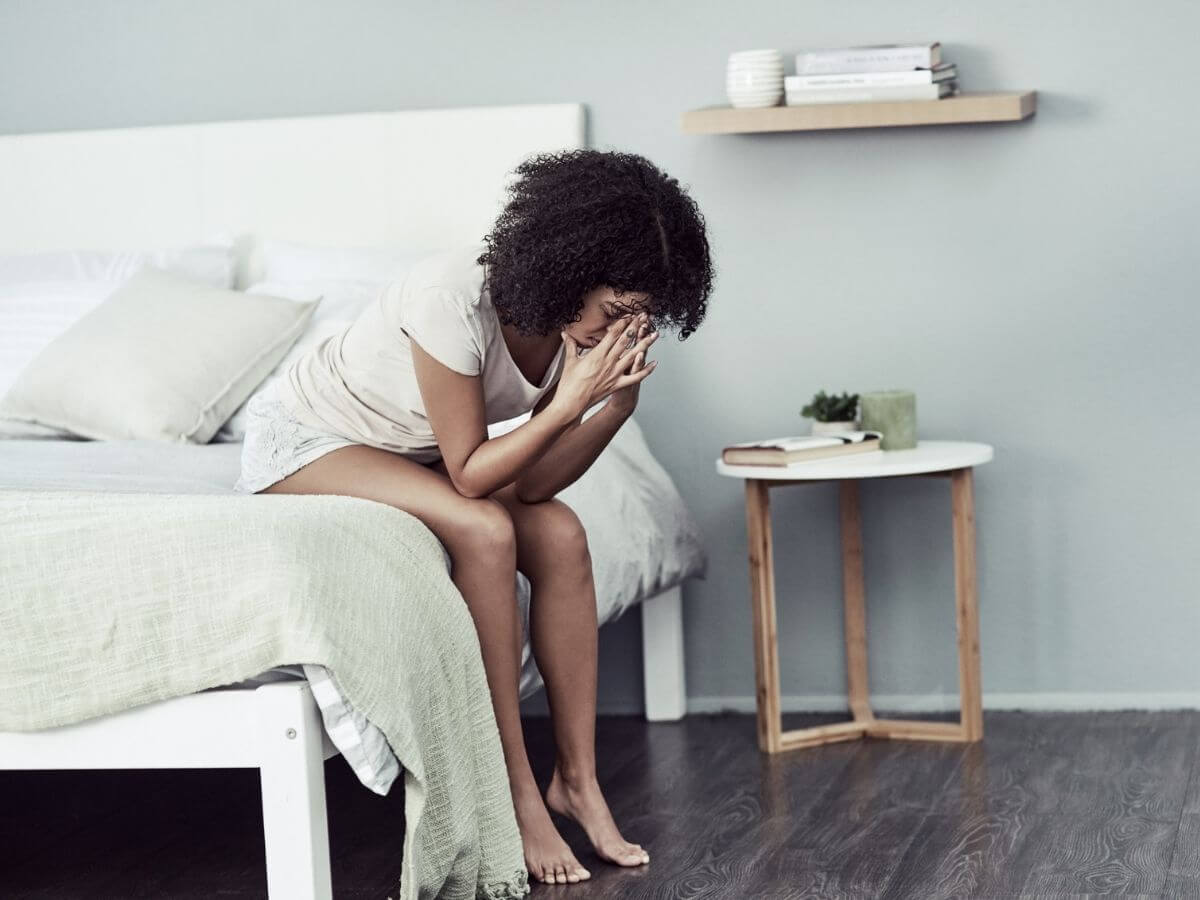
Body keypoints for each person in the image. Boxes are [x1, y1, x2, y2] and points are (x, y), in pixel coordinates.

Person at [233, 147, 714, 885]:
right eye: (615, 312)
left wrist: (614, 407)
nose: (619, 331)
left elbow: (535, 486)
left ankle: (577, 781)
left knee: (561, 533)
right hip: (311, 442)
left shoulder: (577, 328)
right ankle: (513, 793)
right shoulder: (449, 296)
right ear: (568, 268)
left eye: (640, 317)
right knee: (483, 530)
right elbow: (470, 474)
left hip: (412, 454)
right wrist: (571, 401)